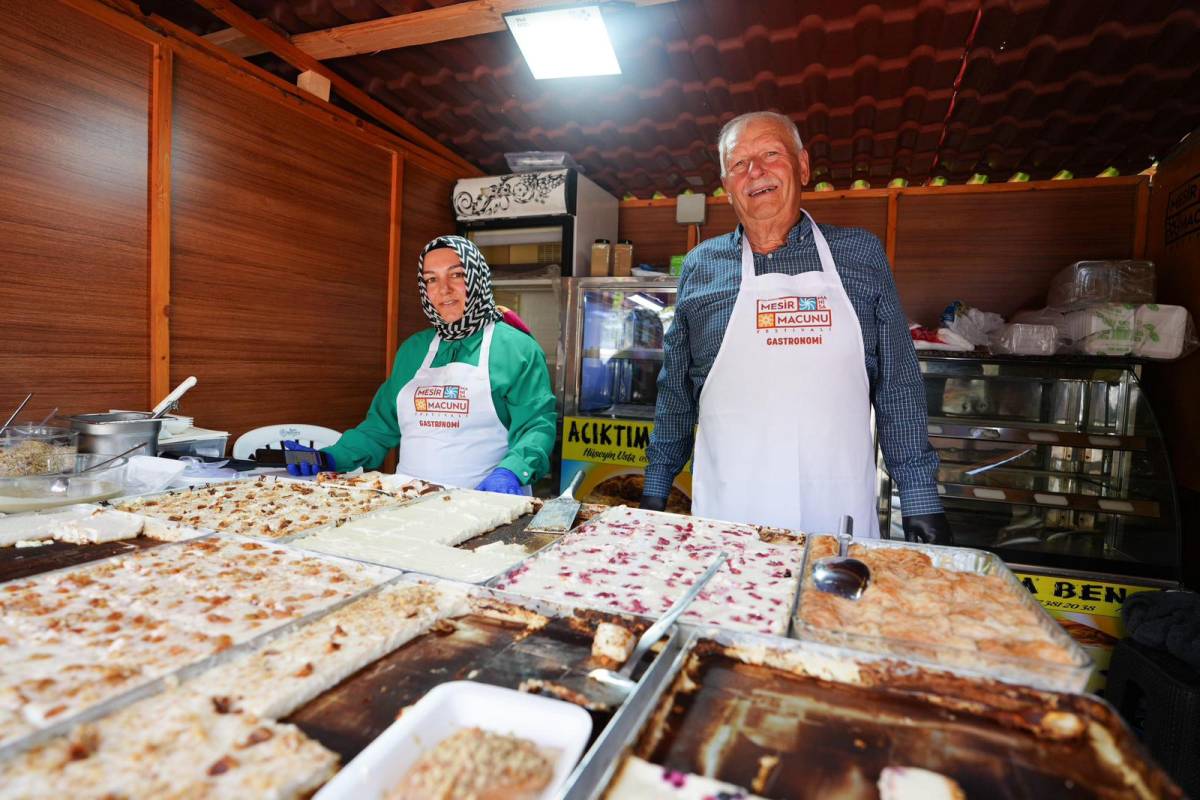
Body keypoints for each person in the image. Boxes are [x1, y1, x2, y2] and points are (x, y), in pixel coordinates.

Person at [640, 111, 951, 544]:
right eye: (739, 164)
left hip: (836, 513)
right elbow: (677, 390)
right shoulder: (701, 266)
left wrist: (919, 498)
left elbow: (897, 385)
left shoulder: (859, 254)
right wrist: (656, 487)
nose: (756, 172)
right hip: (729, 516)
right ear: (727, 184)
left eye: (771, 154)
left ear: (802, 166)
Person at [285, 235, 556, 495]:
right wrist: (329, 457)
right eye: (431, 279)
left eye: (457, 275)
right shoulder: (413, 350)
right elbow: (380, 428)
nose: (444, 289)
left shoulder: (516, 349)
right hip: (408, 501)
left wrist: (511, 471)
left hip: (486, 501)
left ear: (477, 278)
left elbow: (537, 427)